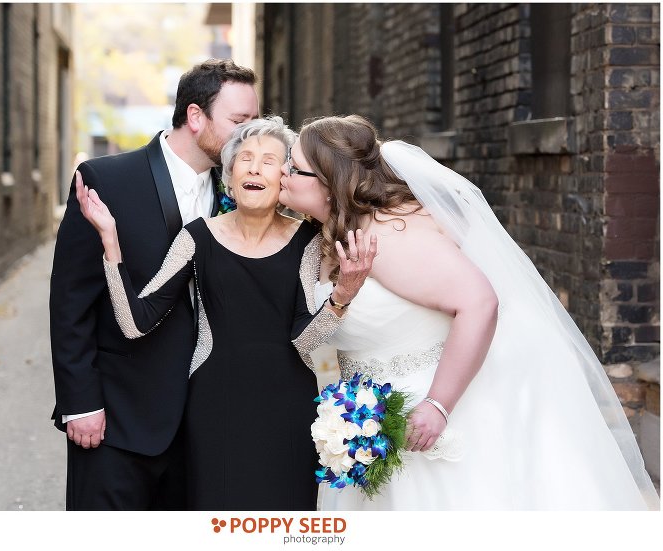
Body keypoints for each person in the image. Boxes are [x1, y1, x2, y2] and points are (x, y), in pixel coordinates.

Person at [278, 114, 660, 510]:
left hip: (431, 418)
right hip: (368, 422)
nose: (283, 171)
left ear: (330, 183)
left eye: (294, 166)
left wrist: (438, 405)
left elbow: (480, 302)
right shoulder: (326, 240)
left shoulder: (385, 238)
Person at [75, 116, 376, 510]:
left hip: (288, 409)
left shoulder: (308, 240)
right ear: (230, 176)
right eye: (245, 158)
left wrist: (342, 296)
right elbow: (135, 322)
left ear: (284, 178)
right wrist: (110, 242)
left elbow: (304, 339)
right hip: (213, 407)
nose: (254, 168)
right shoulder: (196, 236)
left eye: (269, 161)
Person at [49, 59, 259, 510]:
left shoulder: (240, 193)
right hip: (117, 417)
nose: (250, 137)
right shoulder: (106, 180)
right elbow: (71, 302)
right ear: (195, 116)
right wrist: (80, 402)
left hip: (203, 424)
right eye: (240, 122)